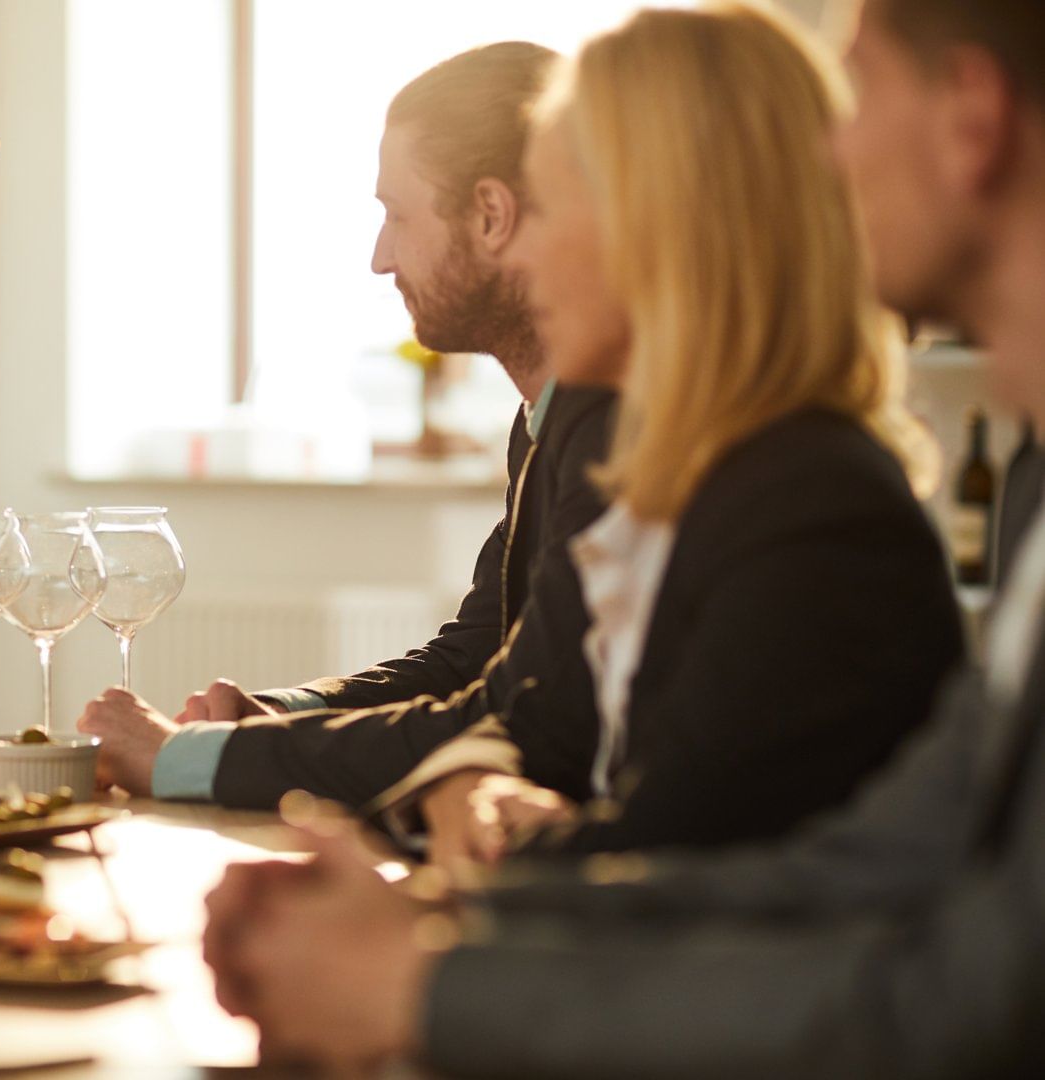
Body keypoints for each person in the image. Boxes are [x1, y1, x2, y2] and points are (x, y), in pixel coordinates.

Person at [202, 1, 1045, 1073]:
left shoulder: (811, 504)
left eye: (858, 90)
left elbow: (952, 998)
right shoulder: (1017, 491)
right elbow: (845, 870)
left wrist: (421, 971)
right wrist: (455, 907)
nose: (824, 152)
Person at [82, 0, 962, 869]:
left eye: (553, 206)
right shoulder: (701, 466)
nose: (526, 251)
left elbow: (668, 869)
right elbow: (543, 715)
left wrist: (425, 924)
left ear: (661, 229)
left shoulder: (799, 504)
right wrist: (478, 797)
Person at [81, 42, 618, 799]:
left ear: (491, 215)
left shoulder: (613, 426)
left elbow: (518, 718)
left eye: (397, 214)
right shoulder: (542, 421)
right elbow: (473, 657)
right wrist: (274, 717)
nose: (378, 257)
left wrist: (187, 763)